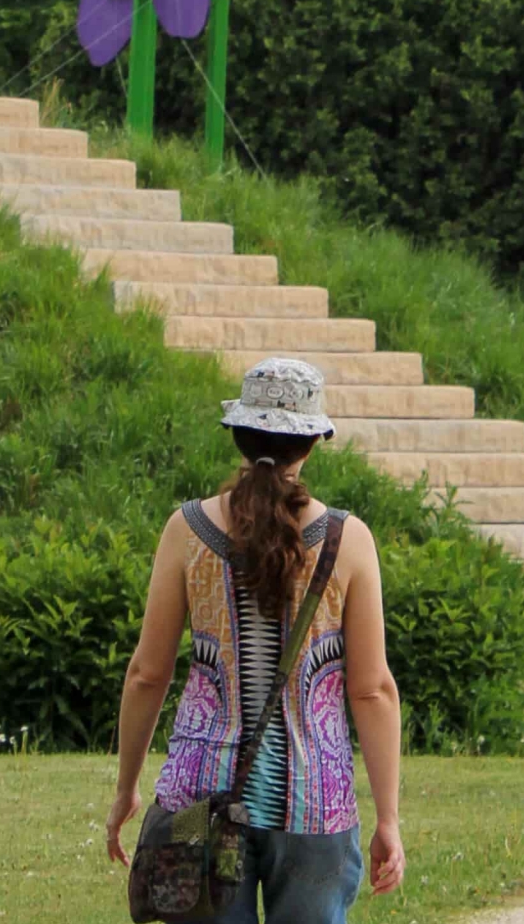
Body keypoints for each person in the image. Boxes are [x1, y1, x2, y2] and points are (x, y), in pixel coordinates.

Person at [108, 357, 406, 922]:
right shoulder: (349, 540)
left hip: (198, 795)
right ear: (314, 442)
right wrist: (387, 819)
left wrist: (126, 790)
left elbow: (148, 672)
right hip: (317, 805)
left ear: (239, 437)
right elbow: (373, 692)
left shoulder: (186, 530)